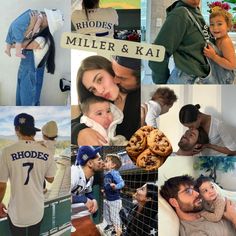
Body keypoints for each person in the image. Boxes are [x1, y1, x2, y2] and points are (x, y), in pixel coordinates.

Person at [0, 113, 56, 236]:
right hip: (37, 210)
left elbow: (2, 186)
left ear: (17, 129)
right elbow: (51, 179)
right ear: (33, 131)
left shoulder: (6, 152)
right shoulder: (46, 151)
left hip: (17, 213)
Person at [71, 55, 141, 145]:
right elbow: (75, 122)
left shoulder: (138, 94)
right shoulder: (100, 102)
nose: (100, 91)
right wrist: (79, 132)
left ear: (110, 69)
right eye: (93, 89)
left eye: (99, 79)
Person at [148, 0, 212, 84]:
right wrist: (162, 85)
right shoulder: (180, 14)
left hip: (199, 78)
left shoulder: (194, 10)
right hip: (187, 81)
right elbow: (157, 55)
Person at [15, 9, 64, 106]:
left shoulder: (41, 40)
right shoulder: (40, 37)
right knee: (22, 103)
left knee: (26, 105)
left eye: (45, 15)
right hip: (26, 74)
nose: (41, 15)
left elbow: (17, 44)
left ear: (48, 23)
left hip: (29, 77)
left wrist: (31, 25)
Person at [160, 175, 236, 235]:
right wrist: (233, 217)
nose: (197, 194)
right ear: (174, 202)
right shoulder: (196, 232)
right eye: (188, 191)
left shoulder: (203, 207)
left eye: (195, 189)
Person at [71, 146, 104, 236]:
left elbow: (88, 192)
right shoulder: (74, 173)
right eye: (99, 159)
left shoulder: (90, 177)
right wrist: (83, 199)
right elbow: (62, 198)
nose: (102, 162)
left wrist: (93, 199)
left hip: (75, 215)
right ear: (90, 163)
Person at [203, 8, 236, 83]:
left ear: (228, 26)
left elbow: (232, 65)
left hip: (225, 78)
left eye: (219, 24)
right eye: (212, 24)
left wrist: (213, 56)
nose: (215, 28)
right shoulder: (218, 38)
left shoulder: (225, 42)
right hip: (219, 75)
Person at [103, 154, 124, 236]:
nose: (105, 162)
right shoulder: (108, 173)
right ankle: (113, 228)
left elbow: (122, 183)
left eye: (107, 161)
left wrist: (116, 186)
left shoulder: (114, 173)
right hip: (109, 199)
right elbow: (107, 184)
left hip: (115, 200)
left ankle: (118, 233)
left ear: (113, 165)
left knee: (115, 218)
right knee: (108, 215)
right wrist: (104, 189)